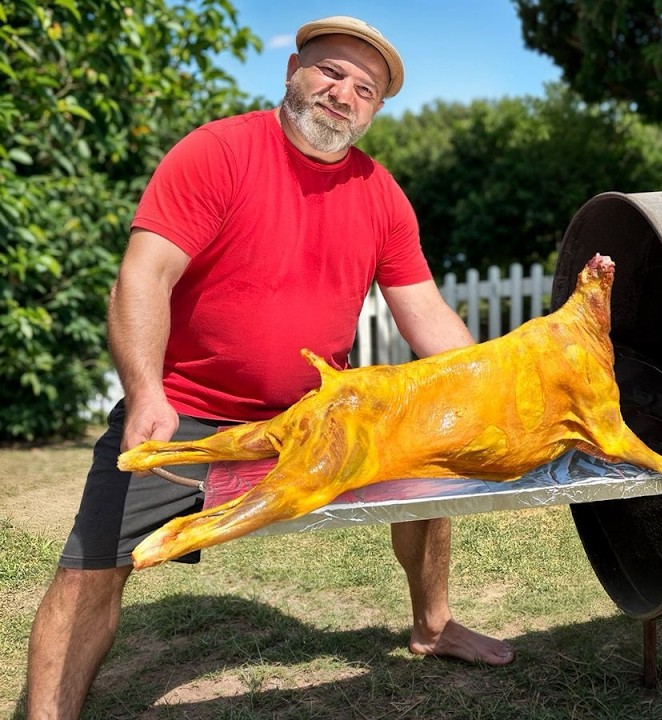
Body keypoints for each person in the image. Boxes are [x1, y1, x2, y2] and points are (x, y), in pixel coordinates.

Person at [25, 15, 514, 718]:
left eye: (365, 89)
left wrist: (490, 389)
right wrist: (145, 394)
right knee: (88, 571)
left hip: (313, 417)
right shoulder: (217, 153)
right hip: (186, 411)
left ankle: (432, 626)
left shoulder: (380, 193)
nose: (343, 94)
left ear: (374, 111)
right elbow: (143, 276)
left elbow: (427, 313)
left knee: (429, 462)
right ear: (293, 72)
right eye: (330, 72)